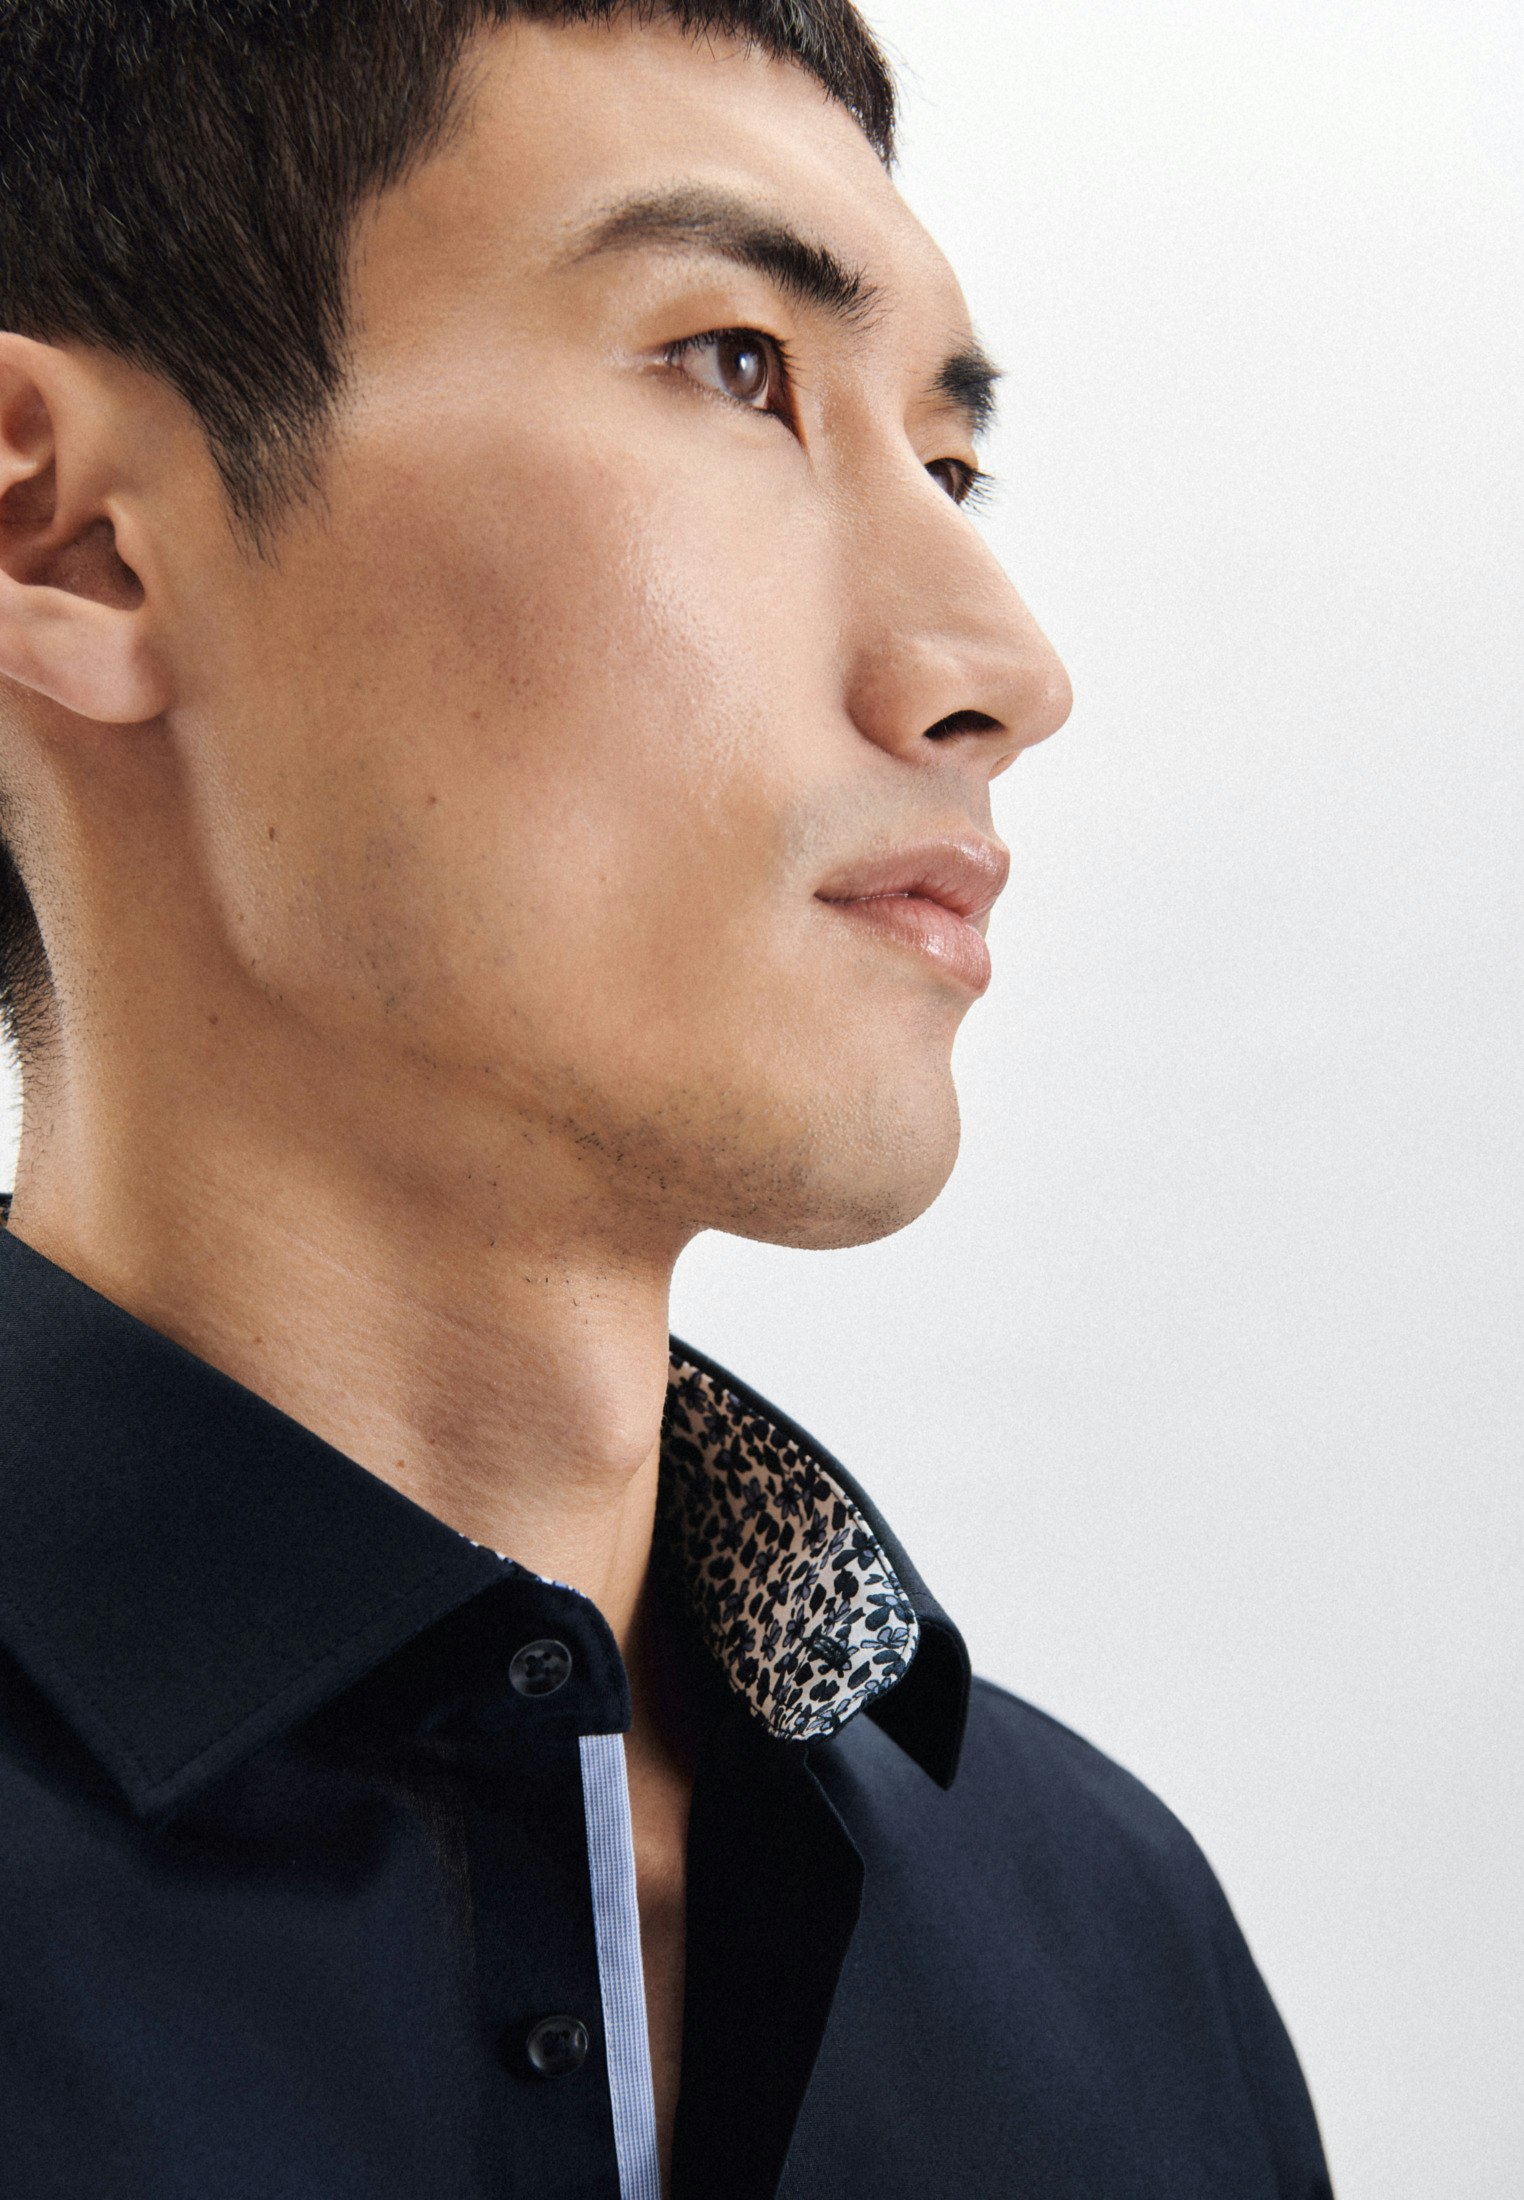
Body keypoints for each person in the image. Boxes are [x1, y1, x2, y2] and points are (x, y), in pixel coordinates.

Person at [0, 4, 1333, 2195]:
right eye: (736, 368)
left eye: (952, 464)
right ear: (69, 538)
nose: (1004, 670)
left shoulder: (1115, 1945)